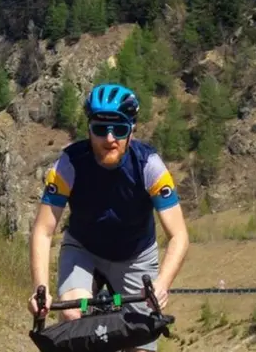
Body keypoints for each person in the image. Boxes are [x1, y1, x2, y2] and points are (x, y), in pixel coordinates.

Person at [27, 83, 190, 352]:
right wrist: (40, 289)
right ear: (89, 129)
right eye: (101, 129)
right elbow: (43, 232)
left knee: (141, 342)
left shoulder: (150, 166)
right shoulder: (69, 164)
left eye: (119, 129)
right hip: (84, 249)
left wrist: (161, 285)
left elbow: (179, 235)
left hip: (136, 256)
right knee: (72, 317)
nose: (110, 138)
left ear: (132, 130)